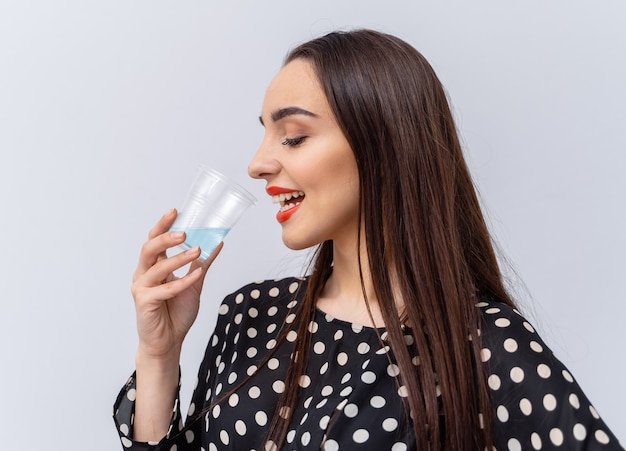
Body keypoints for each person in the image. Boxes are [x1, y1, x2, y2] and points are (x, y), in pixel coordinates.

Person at [113, 29, 624, 450]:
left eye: (292, 136)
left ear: (383, 144)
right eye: (266, 134)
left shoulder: (485, 349)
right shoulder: (250, 316)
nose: (258, 163)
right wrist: (158, 355)